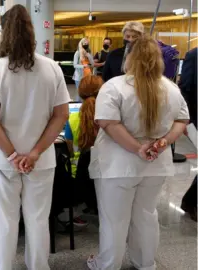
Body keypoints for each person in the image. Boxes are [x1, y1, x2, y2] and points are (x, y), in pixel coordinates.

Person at [86, 35, 190, 270]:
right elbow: (182, 120)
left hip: (117, 166)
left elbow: (108, 123)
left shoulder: (114, 86)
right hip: (155, 165)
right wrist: (162, 142)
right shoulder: (171, 88)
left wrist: (137, 148)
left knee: (114, 220)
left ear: (129, 57)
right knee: (146, 215)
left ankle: (108, 264)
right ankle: (145, 263)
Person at [0, 5, 70, 269]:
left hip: (2, 159)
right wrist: (33, 153)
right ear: (32, 32)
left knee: (5, 220)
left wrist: (12, 154)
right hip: (40, 160)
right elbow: (60, 116)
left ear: (3, 34)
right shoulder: (51, 68)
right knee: (38, 220)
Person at [64, 75, 104, 217]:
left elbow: (67, 150)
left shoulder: (71, 118)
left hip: (78, 177)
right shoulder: (110, 118)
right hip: (105, 174)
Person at [179, 47, 197, 221]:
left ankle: (190, 200)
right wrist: (186, 119)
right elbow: (185, 89)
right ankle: (191, 201)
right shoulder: (193, 56)